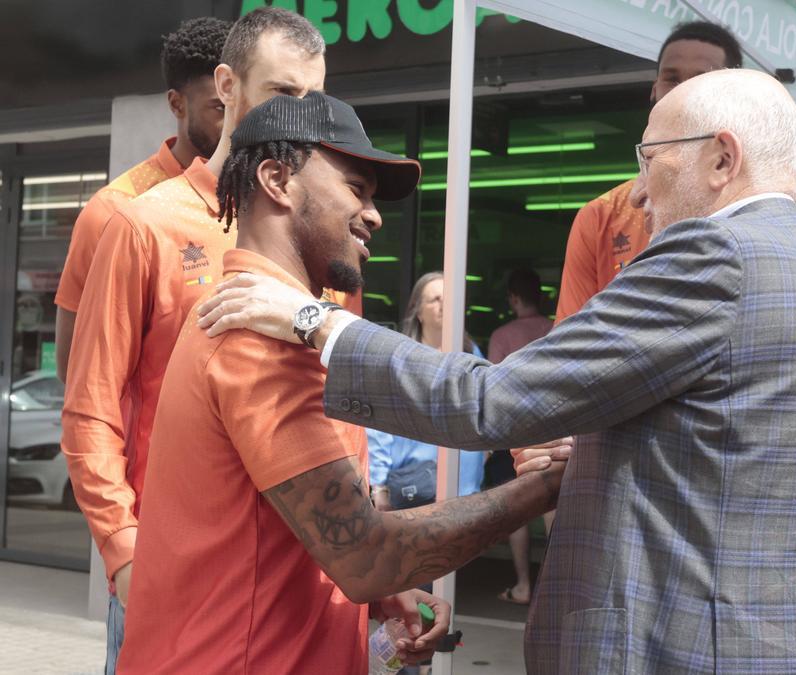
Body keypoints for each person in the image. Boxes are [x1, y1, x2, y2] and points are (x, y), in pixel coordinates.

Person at [197, 69, 796, 674]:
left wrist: (318, 322)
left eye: (649, 158)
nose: (640, 194)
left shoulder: (715, 255)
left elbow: (491, 400)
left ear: (721, 159)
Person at [117, 91, 563, 673]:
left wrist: (381, 598)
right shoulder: (257, 344)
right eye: (356, 189)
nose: (374, 215)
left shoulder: (271, 326)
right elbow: (365, 555)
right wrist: (546, 488)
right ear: (277, 179)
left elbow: (290, 529)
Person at [60, 7, 330, 671]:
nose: (299, 116)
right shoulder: (140, 225)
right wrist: (124, 549)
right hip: (173, 569)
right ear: (228, 87)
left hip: (293, 575)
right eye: (283, 93)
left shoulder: (315, 230)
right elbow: (90, 402)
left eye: (314, 99)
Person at [53, 16, 228, 383]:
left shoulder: (253, 200)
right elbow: (74, 368)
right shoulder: (114, 210)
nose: (233, 124)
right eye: (219, 108)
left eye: (239, 105)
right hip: (146, 438)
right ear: (177, 105)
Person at [554, 20, 741, 323]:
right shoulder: (601, 218)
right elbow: (566, 350)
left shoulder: (750, 207)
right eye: (672, 79)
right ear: (655, 89)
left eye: (701, 79)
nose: (683, 92)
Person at [368, 271, 486, 512]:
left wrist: (485, 452)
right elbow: (379, 425)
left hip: (465, 488)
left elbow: (486, 406)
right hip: (414, 490)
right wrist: (379, 485)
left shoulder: (470, 353)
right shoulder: (400, 358)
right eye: (435, 299)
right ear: (418, 312)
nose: (445, 305)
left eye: (450, 298)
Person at [484, 268, 555, 605]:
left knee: (517, 511)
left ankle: (524, 584)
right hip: (555, 425)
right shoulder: (557, 328)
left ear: (513, 298)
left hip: (513, 430)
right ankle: (555, 584)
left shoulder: (502, 335)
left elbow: (492, 387)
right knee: (551, 505)